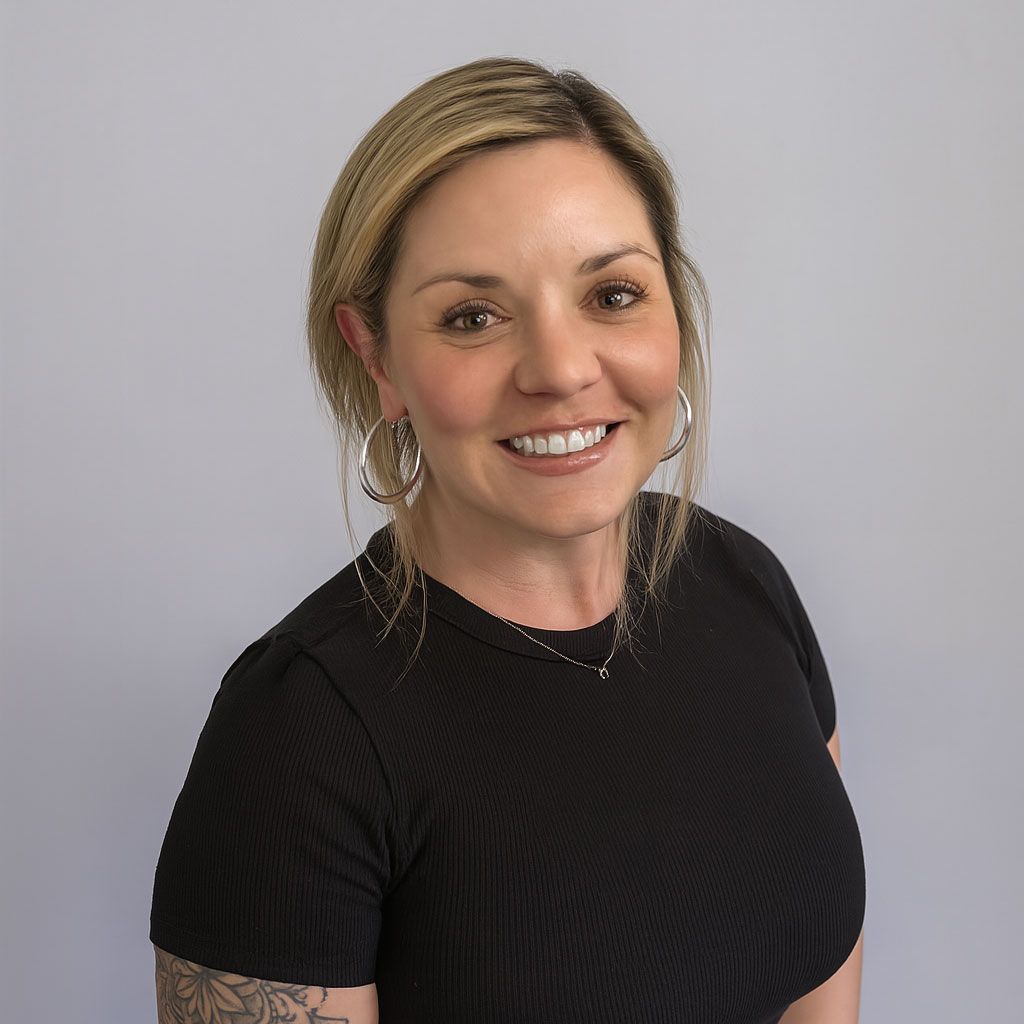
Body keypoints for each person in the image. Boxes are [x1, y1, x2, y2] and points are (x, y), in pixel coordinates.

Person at [150, 56, 865, 1024]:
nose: (562, 369)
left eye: (612, 294)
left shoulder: (741, 580)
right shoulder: (300, 735)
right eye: (473, 316)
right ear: (378, 359)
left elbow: (813, 954)